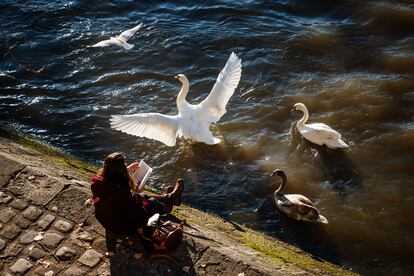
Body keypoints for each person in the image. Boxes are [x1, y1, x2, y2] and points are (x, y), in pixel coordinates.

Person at [90, 152, 184, 235]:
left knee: (143, 196)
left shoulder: (98, 181)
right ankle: (167, 207)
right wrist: (137, 192)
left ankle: (169, 197)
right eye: (124, 164)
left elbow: (113, 190)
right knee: (150, 201)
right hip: (122, 227)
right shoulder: (121, 190)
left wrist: (127, 169)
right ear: (119, 170)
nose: (126, 164)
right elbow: (135, 210)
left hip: (106, 220)